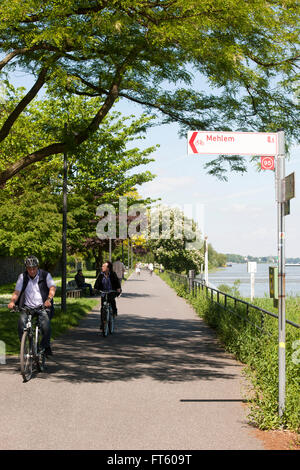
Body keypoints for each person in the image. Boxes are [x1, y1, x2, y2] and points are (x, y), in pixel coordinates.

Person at [8, 255, 56, 357]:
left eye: (34, 268)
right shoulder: (22, 277)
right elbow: (17, 291)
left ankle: (43, 347)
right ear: (26, 268)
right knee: (21, 323)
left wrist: (48, 300)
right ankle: (25, 347)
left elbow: (52, 288)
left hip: (42, 306)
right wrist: (12, 302)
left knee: (46, 326)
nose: (32, 271)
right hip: (27, 307)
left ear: (37, 267)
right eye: (29, 269)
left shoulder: (45, 275)